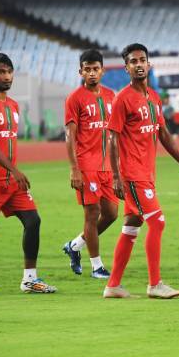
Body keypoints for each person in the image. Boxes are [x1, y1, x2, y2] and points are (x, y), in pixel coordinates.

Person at [103, 43, 179, 299]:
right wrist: (117, 177)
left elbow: (163, 133)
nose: (139, 64)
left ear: (149, 64)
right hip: (132, 174)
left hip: (147, 173)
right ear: (127, 68)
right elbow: (112, 138)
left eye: (142, 60)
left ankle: (113, 285)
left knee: (132, 226)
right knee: (158, 222)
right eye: (133, 61)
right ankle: (155, 284)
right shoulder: (122, 99)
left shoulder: (153, 97)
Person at [0, 52, 56, 295]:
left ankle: (30, 279)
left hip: (11, 183)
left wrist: (13, 174)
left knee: (33, 221)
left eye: (9, 72)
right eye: (0, 72)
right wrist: (16, 170)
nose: (6, 76)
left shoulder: (14, 106)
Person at [62, 49, 118, 279]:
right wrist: (74, 168)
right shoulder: (74, 98)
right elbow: (69, 136)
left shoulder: (111, 96)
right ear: (81, 71)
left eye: (96, 68)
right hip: (87, 166)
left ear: (102, 70)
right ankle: (97, 266)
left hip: (107, 167)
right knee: (92, 215)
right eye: (88, 69)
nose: (92, 73)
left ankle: (75, 245)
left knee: (112, 214)